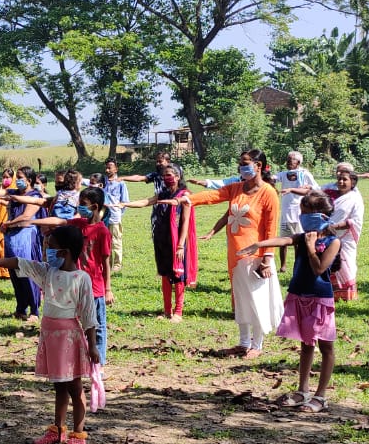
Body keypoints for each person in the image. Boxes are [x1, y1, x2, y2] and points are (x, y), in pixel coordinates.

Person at [0, 226, 100, 444]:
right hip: (51, 337)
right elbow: (19, 262)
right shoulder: (47, 272)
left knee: (75, 387)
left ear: (65, 252)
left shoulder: (82, 279)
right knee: (59, 385)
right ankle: (57, 430)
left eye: (50, 248)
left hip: (69, 339)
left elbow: (89, 316)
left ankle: (78, 435)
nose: (46, 252)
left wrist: (93, 346)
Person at [173, 150, 283, 358]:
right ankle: (243, 342)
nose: (241, 167)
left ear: (259, 166)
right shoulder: (236, 189)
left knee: (256, 299)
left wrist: (267, 258)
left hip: (255, 256)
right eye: (240, 163)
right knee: (240, 299)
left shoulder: (268, 193)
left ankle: (257, 345)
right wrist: (186, 199)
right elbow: (213, 195)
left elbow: (271, 228)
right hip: (235, 255)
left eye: (245, 163)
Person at [238, 192, 341, 413]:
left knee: (326, 346)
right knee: (306, 345)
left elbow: (319, 269)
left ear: (321, 216)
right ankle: (303, 390)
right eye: (301, 213)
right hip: (298, 294)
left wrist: (312, 247)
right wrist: (259, 244)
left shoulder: (333, 242)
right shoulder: (303, 236)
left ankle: (320, 396)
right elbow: (285, 240)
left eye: (306, 213)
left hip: (319, 299)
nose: (302, 218)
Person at [10, 187, 113, 364]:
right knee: (76, 324)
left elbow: (105, 262)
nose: (79, 207)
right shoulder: (79, 224)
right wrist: (34, 221)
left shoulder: (102, 232)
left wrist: (108, 289)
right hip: (73, 284)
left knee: (97, 326)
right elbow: (59, 220)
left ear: (95, 206)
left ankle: (99, 362)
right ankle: (77, 359)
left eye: (83, 204)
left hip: (95, 288)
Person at [117, 163, 199, 320]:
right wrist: (125, 204)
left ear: (178, 176)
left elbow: (186, 221)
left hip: (178, 241)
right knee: (165, 273)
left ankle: (178, 312)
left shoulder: (185, 195)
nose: (166, 178)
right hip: (162, 238)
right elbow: (146, 202)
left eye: (169, 175)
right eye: (164, 175)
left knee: (178, 275)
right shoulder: (163, 193)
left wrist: (181, 245)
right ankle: (167, 310)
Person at [0, 166, 44, 320]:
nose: (17, 180)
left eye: (20, 177)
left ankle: (34, 311)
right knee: (15, 274)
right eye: (17, 177)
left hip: (25, 238)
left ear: (29, 180)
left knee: (27, 272)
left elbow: (26, 216)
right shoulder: (13, 193)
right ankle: (21, 308)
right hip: (12, 238)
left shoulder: (35, 196)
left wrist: (8, 224)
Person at [274, 151, 323, 269]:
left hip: (298, 211)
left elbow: (317, 188)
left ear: (298, 162)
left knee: (298, 240)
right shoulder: (284, 174)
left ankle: (298, 263)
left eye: (292, 160)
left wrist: (308, 187)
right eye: (288, 159)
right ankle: (283, 265)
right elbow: (273, 179)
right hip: (286, 212)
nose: (289, 162)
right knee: (283, 239)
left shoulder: (304, 174)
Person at [326, 167, 365, 301]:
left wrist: (334, 226)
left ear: (352, 182)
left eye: (344, 179)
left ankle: (347, 295)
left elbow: (355, 221)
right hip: (329, 236)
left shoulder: (355, 198)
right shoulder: (331, 195)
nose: (341, 182)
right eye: (339, 179)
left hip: (346, 237)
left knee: (346, 263)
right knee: (330, 263)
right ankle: (333, 293)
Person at [102, 160, 130, 272]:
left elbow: (125, 202)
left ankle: (117, 264)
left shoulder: (120, 183)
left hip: (114, 217)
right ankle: (107, 262)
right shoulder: (103, 181)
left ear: (116, 169)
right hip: (103, 217)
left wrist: (118, 214)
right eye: (106, 168)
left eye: (110, 168)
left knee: (116, 241)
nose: (107, 170)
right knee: (105, 241)